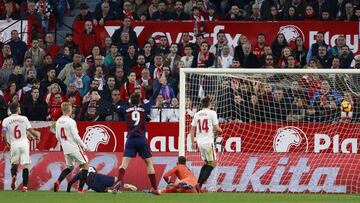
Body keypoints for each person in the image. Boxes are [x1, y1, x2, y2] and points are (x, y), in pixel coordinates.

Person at [93, 76, 167, 194]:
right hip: (142, 139)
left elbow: (112, 106)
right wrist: (160, 85)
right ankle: (154, 188)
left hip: (131, 139)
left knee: (124, 163)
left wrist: (99, 99)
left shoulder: (125, 109)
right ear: (140, 100)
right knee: (149, 163)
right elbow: (153, 98)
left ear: (130, 101)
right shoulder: (145, 108)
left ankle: (119, 181)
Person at [1, 102, 40, 192]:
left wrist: (6, 143)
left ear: (10, 110)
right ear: (18, 108)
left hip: (14, 144)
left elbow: (3, 134)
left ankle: (14, 176)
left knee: (14, 163)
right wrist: (37, 136)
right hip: (24, 144)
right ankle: (25, 187)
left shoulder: (6, 120)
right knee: (25, 165)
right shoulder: (24, 119)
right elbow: (31, 130)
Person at [54, 102, 91, 193]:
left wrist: (63, 144)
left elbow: (57, 136)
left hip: (65, 148)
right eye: (71, 108)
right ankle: (80, 189)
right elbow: (75, 136)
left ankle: (58, 181)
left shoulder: (58, 121)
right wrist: (84, 146)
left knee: (70, 167)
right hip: (74, 147)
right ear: (69, 110)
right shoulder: (71, 121)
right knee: (85, 165)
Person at [189, 96, 223, 192]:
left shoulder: (197, 114)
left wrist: (193, 142)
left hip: (200, 142)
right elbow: (217, 128)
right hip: (208, 142)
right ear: (209, 104)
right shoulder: (212, 113)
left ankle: (198, 185)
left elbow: (192, 130)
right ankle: (199, 184)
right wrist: (221, 129)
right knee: (213, 163)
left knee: (207, 163)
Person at [67, 166, 137, 193]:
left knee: (104, 190)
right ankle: (123, 185)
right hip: (99, 178)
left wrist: (68, 191)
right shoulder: (91, 167)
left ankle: (111, 190)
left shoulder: (80, 173)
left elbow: (71, 182)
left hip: (94, 186)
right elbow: (93, 175)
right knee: (117, 179)